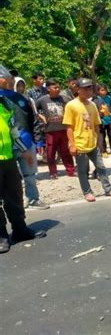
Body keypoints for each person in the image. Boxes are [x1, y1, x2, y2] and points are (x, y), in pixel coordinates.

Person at [0, 65, 46, 254]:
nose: (8, 80)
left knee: (15, 196)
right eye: (4, 78)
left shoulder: (5, 102)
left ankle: (20, 229)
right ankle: (1, 236)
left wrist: (24, 149)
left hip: (8, 157)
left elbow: (13, 129)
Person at [62, 78, 111, 202]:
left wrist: (99, 142)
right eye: (85, 88)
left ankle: (108, 189)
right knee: (83, 171)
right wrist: (72, 144)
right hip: (79, 143)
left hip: (92, 143)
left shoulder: (93, 105)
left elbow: (96, 125)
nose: (88, 90)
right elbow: (69, 127)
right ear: (78, 90)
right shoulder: (71, 105)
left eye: (90, 88)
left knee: (101, 167)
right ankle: (87, 192)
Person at [7, 76, 49, 209]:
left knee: (30, 174)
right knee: (11, 179)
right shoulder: (4, 101)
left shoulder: (28, 100)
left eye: (21, 85)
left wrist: (37, 141)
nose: (19, 88)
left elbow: (35, 121)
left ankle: (33, 199)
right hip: (9, 145)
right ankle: (14, 203)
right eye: (16, 85)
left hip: (27, 142)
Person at [36, 78, 75, 179]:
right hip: (50, 130)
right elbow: (34, 109)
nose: (58, 89)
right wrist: (40, 116)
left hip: (63, 129)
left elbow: (73, 108)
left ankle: (70, 170)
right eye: (55, 87)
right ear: (48, 89)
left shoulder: (64, 99)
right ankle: (53, 172)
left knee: (66, 151)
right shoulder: (42, 100)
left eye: (58, 87)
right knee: (50, 153)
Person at [92, 84, 111, 156]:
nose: (104, 92)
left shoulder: (109, 98)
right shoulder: (96, 99)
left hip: (109, 119)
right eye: (102, 90)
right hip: (101, 120)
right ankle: (104, 151)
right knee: (102, 136)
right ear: (98, 91)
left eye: (105, 90)